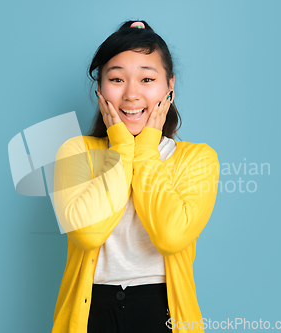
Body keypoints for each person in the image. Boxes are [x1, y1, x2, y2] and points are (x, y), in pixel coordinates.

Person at [51, 20, 220, 333]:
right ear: (100, 89)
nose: (131, 94)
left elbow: (171, 239)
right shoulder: (76, 152)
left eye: (146, 78)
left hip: (162, 311)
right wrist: (121, 149)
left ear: (170, 86)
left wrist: (143, 152)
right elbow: (87, 234)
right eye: (117, 78)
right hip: (92, 313)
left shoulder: (197, 158)